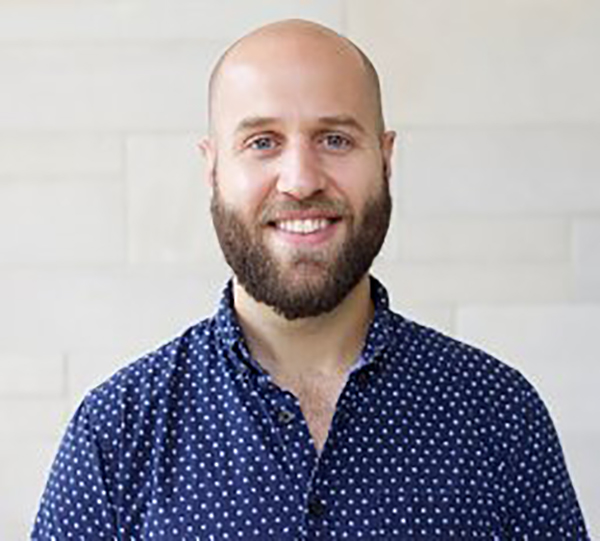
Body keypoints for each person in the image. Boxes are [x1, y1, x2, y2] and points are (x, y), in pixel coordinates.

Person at [32, 19, 589, 540]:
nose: (300, 180)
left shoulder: (499, 414)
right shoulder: (115, 433)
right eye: (262, 142)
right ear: (213, 168)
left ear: (385, 160)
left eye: (335, 139)